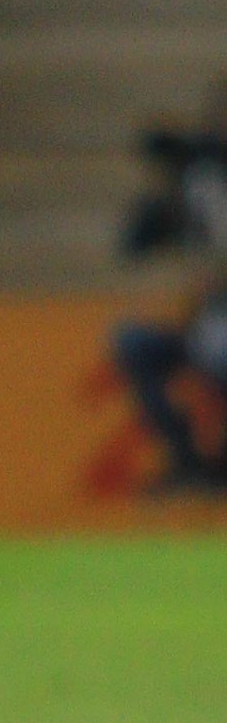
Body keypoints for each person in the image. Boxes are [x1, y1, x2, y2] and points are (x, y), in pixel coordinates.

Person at [113, 102, 227, 492]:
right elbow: (138, 246)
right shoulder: (199, 179)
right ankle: (187, 458)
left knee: (218, 349)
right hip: (206, 322)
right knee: (136, 344)